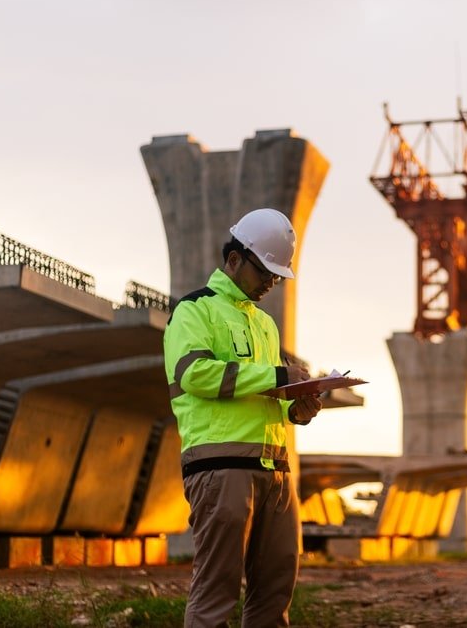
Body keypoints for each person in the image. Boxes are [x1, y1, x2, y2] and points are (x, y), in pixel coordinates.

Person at [164, 208, 323, 627]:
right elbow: (193, 373)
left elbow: (271, 395)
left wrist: (298, 408)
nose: (272, 280)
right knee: (217, 589)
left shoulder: (266, 325)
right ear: (234, 260)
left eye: (277, 273)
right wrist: (275, 375)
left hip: (275, 471)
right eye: (265, 270)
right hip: (221, 468)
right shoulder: (195, 310)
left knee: (274, 591)